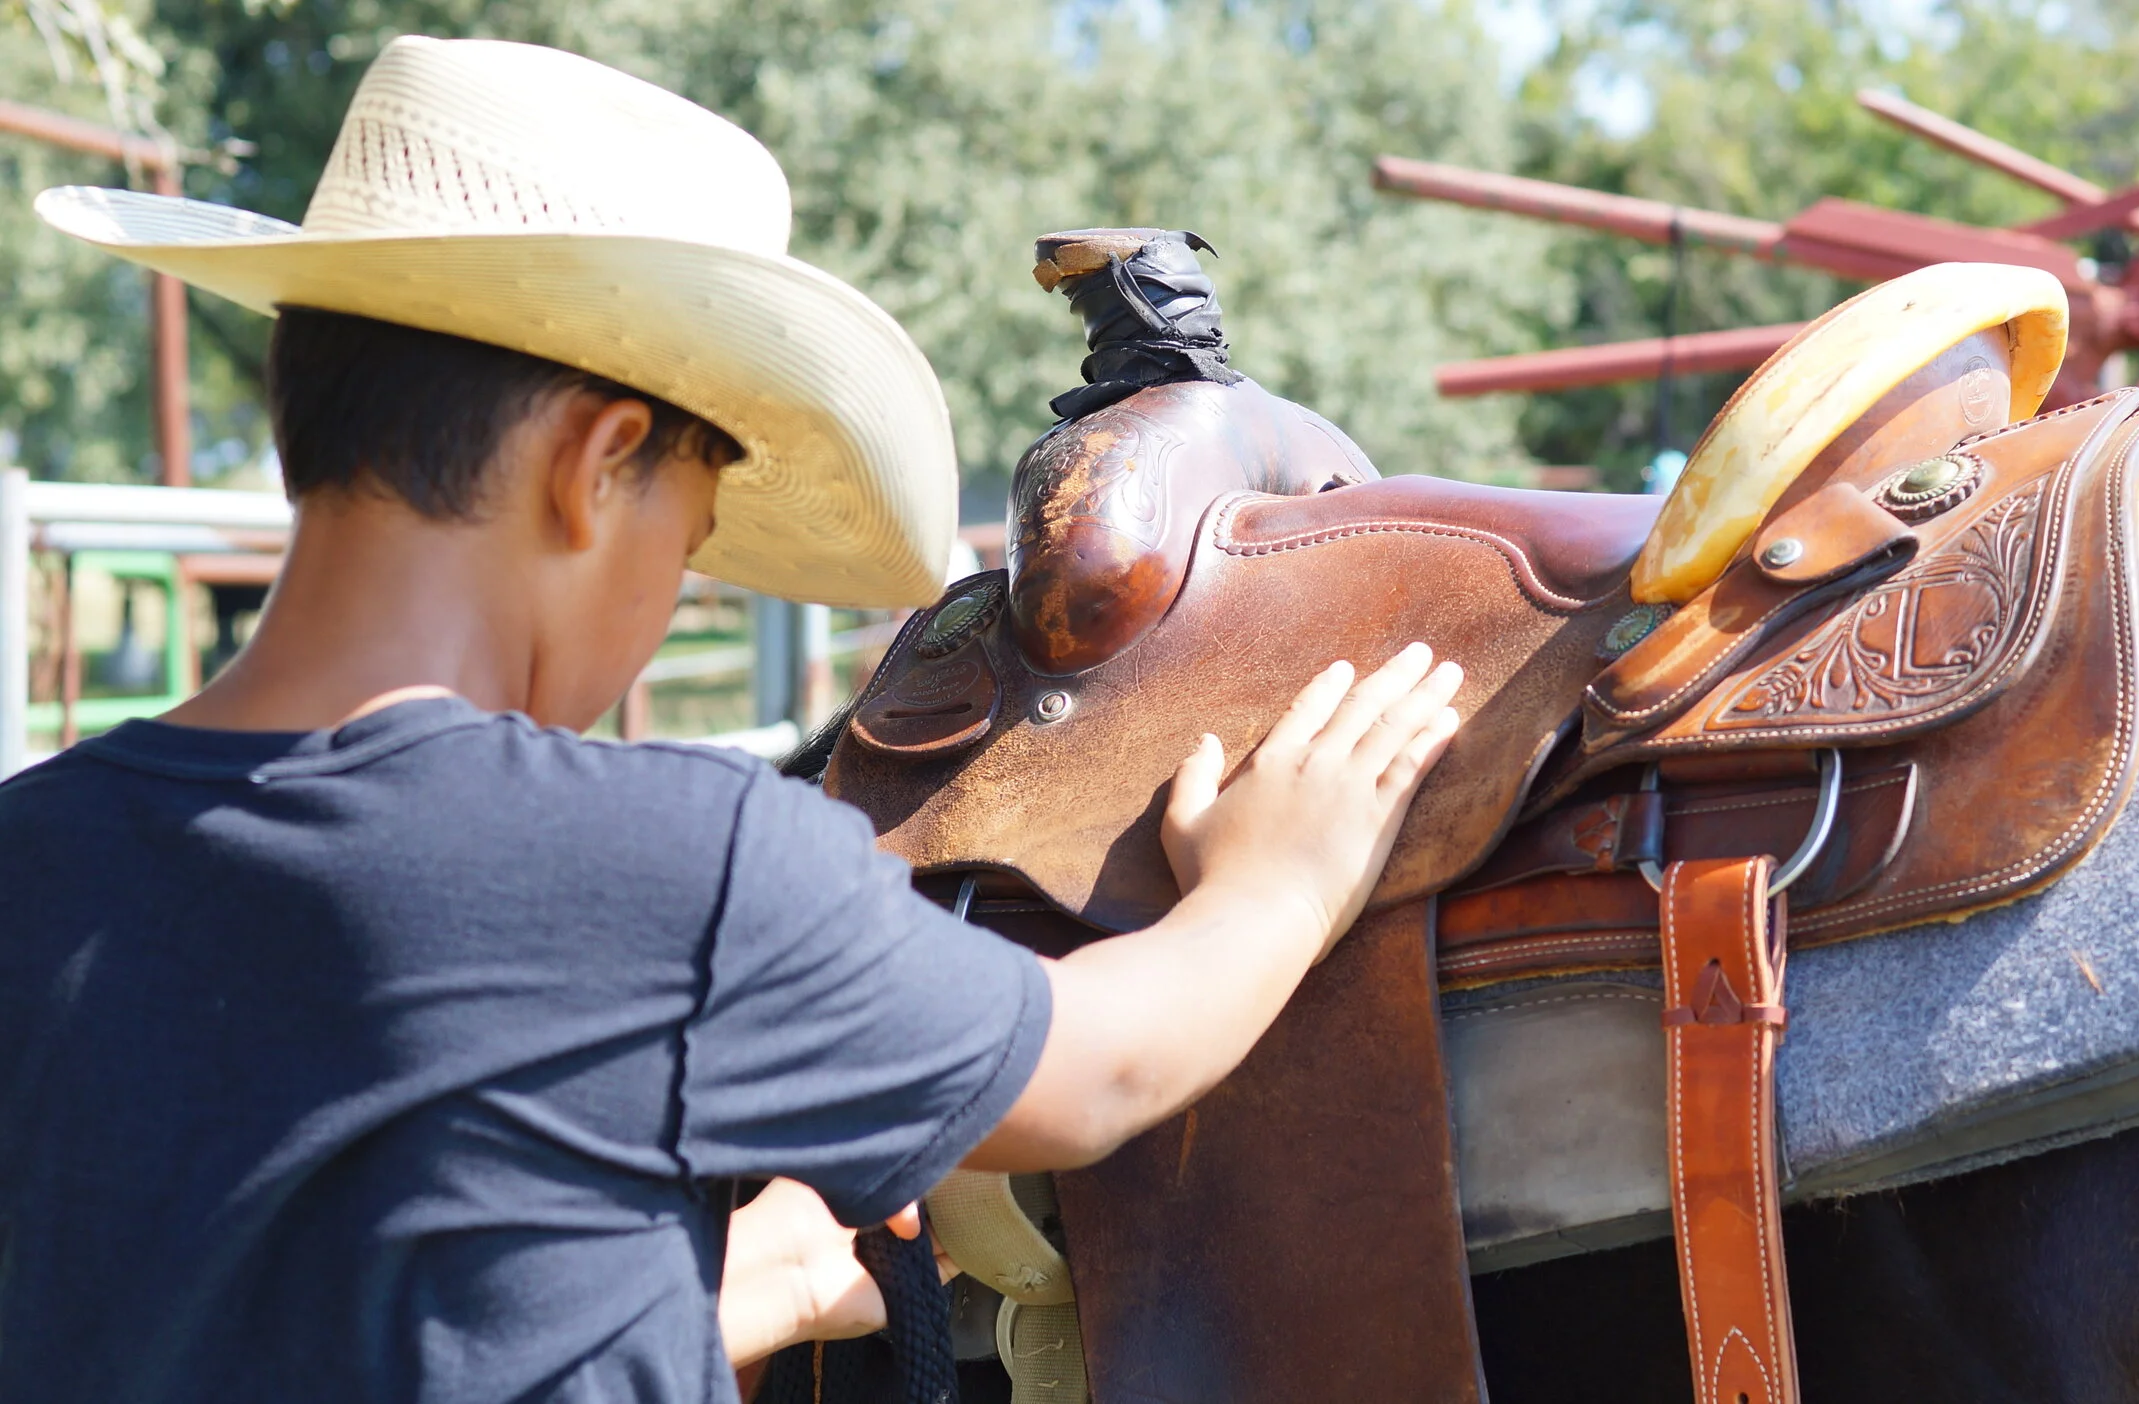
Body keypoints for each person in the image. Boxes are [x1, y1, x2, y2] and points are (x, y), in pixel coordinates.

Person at [0, 37, 1463, 1403]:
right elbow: (1098, 1073)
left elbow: (282, 1299)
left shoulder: (37, 855)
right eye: (691, 536)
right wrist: (1279, 884)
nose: (673, 584)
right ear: (598, 462)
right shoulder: (662, 868)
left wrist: (703, 1294)